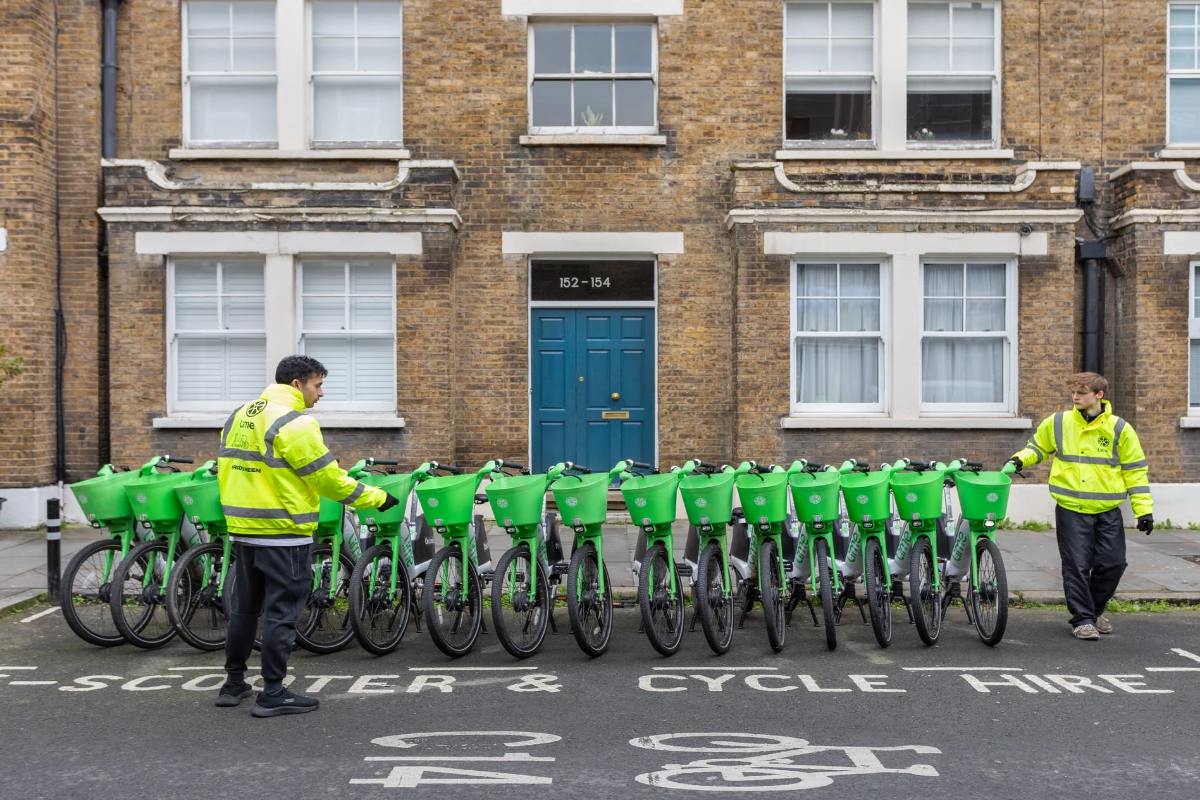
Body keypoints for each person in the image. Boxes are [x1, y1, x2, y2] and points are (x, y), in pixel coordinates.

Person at [215, 355, 398, 716]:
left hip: (244, 529)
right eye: (318, 385)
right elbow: (327, 479)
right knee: (282, 613)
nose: (321, 393)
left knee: (244, 609)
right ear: (297, 384)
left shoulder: (240, 414)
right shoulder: (295, 423)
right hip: (284, 532)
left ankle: (233, 683)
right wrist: (376, 498)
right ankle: (272, 692)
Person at [1009, 372, 1153, 641]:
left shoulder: (1120, 428)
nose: (1075, 397)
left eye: (1082, 392)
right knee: (1076, 565)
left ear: (1099, 395)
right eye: (1073, 392)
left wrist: (1143, 510)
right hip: (1071, 508)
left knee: (1114, 564)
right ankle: (1083, 620)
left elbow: (1135, 471)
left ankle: (1093, 611)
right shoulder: (1058, 422)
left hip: (1107, 510)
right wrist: (1019, 459)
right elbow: (1037, 448)